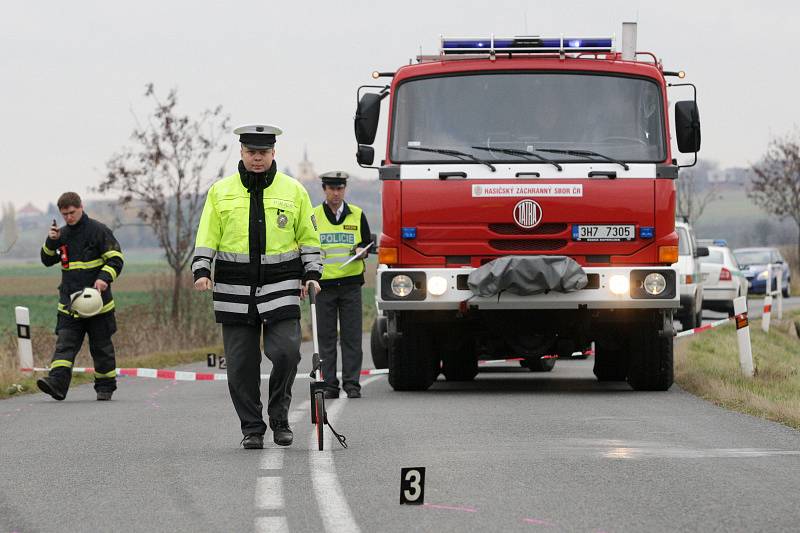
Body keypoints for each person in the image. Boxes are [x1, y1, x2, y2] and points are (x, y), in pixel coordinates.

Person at [192, 124, 322, 449]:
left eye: (263, 153)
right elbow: (206, 235)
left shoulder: (294, 190)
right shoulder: (220, 191)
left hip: (282, 285)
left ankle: (279, 417)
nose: (257, 158)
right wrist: (201, 270)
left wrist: (313, 274)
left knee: (287, 353)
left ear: (273, 153)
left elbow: (308, 237)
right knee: (240, 366)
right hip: (234, 291)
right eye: (252, 152)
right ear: (242, 153)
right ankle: (252, 427)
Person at [37, 192, 124, 401]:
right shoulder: (62, 235)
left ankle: (105, 387)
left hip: (98, 304)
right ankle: (56, 384)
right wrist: (51, 241)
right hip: (70, 305)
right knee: (64, 346)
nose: (68, 217)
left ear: (81, 207)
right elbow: (47, 260)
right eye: (64, 214)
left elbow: (116, 259)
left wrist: (104, 278)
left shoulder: (99, 231)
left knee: (101, 348)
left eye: (72, 212)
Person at [313, 171, 373, 399]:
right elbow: (305, 245)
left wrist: (362, 250)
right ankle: (329, 385)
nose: (336, 193)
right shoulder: (314, 216)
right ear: (324, 189)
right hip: (323, 286)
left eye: (339, 189)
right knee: (326, 339)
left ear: (344, 189)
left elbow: (367, 243)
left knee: (352, 338)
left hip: (350, 286)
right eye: (331, 188)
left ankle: (352, 385)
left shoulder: (357, 214)